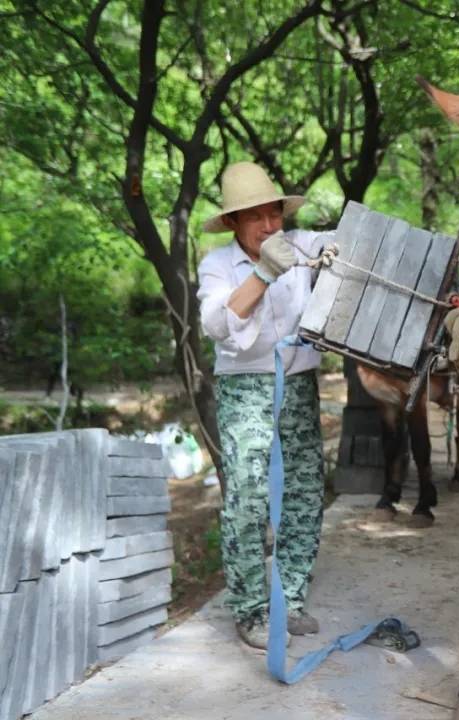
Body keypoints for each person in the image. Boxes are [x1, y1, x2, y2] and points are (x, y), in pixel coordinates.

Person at [197, 161, 328, 650]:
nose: (270, 226)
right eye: (255, 217)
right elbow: (216, 322)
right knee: (249, 497)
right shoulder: (216, 264)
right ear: (233, 223)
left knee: (304, 491)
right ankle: (251, 610)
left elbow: (351, 239)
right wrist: (265, 272)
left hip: (296, 384)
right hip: (244, 387)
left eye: (274, 213)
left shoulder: (300, 245)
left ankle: (289, 599)